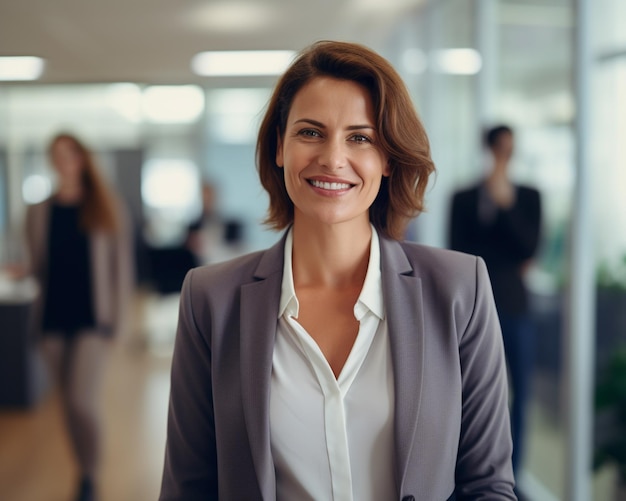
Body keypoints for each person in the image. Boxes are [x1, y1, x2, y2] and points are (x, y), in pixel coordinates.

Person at [160, 41, 516, 500]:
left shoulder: (459, 290)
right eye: (310, 132)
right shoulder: (210, 298)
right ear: (279, 148)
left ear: (387, 159)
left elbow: (487, 484)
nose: (332, 158)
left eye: (360, 137)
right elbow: (188, 489)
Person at [22, 132, 133, 501]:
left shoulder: (105, 206)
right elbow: (39, 265)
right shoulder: (38, 211)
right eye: (55, 155)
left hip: (93, 319)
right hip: (52, 317)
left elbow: (122, 270)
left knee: (82, 401)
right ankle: (82, 470)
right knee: (66, 404)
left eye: (68, 155)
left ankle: (90, 474)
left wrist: (119, 323)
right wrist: (20, 271)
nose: (62, 162)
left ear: (82, 159)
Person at [449, 125, 542, 479]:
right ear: (488, 149)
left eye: (510, 149)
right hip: (472, 306)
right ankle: (468, 471)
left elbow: (529, 248)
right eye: (499, 147)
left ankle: (512, 476)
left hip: (515, 307)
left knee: (519, 390)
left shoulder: (528, 197)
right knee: (468, 390)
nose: (504, 155)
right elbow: (458, 255)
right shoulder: (464, 197)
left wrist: (505, 205)